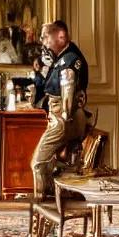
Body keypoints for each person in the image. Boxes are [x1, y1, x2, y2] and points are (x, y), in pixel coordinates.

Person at [29, 20, 90, 201]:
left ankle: (42, 201)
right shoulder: (60, 59)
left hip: (63, 119)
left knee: (38, 163)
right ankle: (53, 196)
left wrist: (65, 117)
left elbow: (68, 91)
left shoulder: (69, 60)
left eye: (46, 37)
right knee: (49, 163)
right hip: (59, 116)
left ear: (61, 37)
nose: (43, 41)